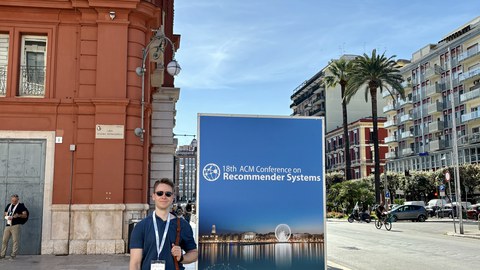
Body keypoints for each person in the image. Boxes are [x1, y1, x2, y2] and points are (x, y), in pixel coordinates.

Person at [129, 178, 198, 270]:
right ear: (153, 196)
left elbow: (194, 253)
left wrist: (181, 257)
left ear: (173, 197)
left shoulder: (183, 225)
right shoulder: (141, 227)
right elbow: (135, 263)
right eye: (159, 193)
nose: (164, 196)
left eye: (168, 194)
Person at [1, 194, 28, 259]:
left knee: (15, 241)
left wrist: (18, 215)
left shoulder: (21, 206)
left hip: (15, 226)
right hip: (8, 225)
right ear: (11, 200)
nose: (14, 202)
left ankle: (13, 255)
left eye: (15, 200)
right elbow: (4, 214)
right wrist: (7, 217)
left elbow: (25, 215)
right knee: (4, 240)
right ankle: (2, 254)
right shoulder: (8, 205)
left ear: (18, 200)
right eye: (13, 200)